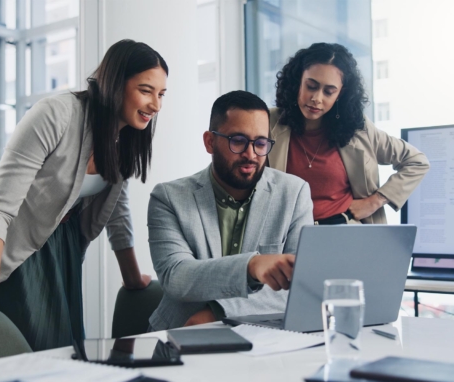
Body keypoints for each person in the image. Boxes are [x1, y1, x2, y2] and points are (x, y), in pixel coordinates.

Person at [0, 39, 168, 351]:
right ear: (114, 84)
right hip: (11, 251)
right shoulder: (57, 114)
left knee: (60, 357)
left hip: (62, 251)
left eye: (162, 94)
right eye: (146, 90)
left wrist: (133, 276)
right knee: (22, 362)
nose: (156, 105)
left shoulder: (125, 138)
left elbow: (116, 209)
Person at [147, 90, 313, 331]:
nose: (251, 154)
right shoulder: (168, 198)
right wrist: (252, 266)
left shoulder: (294, 193)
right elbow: (177, 277)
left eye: (260, 143)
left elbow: (301, 285)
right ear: (210, 142)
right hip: (178, 333)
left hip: (264, 337)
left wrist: (218, 311)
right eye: (238, 141)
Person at [268, 42, 429, 225]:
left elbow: (417, 162)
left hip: (347, 233)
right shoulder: (268, 123)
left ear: (340, 94)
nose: (317, 99)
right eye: (311, 86)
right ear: (297, 81)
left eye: (329, 92)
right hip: (287, 237)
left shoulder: (358, 128)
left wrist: (374, 201)